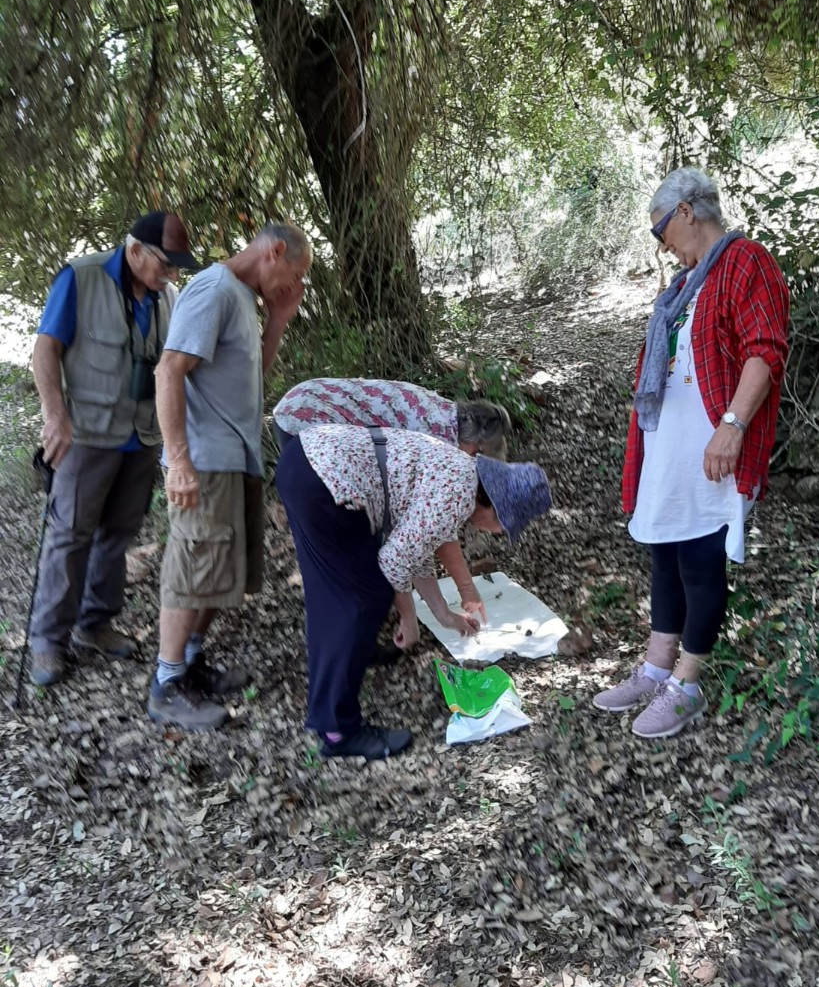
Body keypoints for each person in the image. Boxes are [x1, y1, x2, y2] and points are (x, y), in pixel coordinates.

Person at [593, 167, 789, 738]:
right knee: (664, 554)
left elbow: (764, 349)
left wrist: (731, 426)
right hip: (669, 450)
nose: (662, 244)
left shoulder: (745, 261)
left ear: (686, 212)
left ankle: (688, 683)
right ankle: (656, 668)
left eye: (661, 230)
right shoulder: (682, 287)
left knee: (701, 561)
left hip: (712, 448)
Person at [275, 424, 552, 761]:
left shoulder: (462, 473)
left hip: (307, 462)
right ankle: (338, 731)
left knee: (338, 596)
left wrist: (443, 615)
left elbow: (417, 548)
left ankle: (350, 658)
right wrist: (409, 618)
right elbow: (394, 561)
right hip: (325, 480)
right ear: (494, 504)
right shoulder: (457, 495)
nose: (497, 533)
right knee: (365, 597)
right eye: (502, 526)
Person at [147, 222, 311, 730]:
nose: (291, 284)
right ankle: (166, 684)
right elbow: (169, 370)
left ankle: (190, 663)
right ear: (275, 251)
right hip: (205, 458)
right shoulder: (212, 289)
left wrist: (279, 318)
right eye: (294, 274)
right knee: (193, 568)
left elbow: (252, 375)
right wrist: (178, 461)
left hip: (236, 458)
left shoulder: (242, 297)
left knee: (223, 575)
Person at [28, 211, 199, 687]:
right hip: (86, 435)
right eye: (166, 263)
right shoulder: (80, 278)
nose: (172, 273)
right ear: (136, 250)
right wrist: (55, 416)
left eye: (177, 267)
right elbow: (45, 350)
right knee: (70, 535)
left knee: (117, 535)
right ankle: (47, 642)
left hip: (141, 437)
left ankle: (95, 625)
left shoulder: (169, 296)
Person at [273, 378, 512, 622]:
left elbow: (420, 530)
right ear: (475, 446)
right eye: (475, 457)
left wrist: (453, 597)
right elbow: (429, 529)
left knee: (371, 537)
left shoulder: (449, 418)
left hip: (307, 404)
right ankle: (351, 620)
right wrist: (464, 589)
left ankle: (364, 613)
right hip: (306, 417)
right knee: (347, 537)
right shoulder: (440, 441)